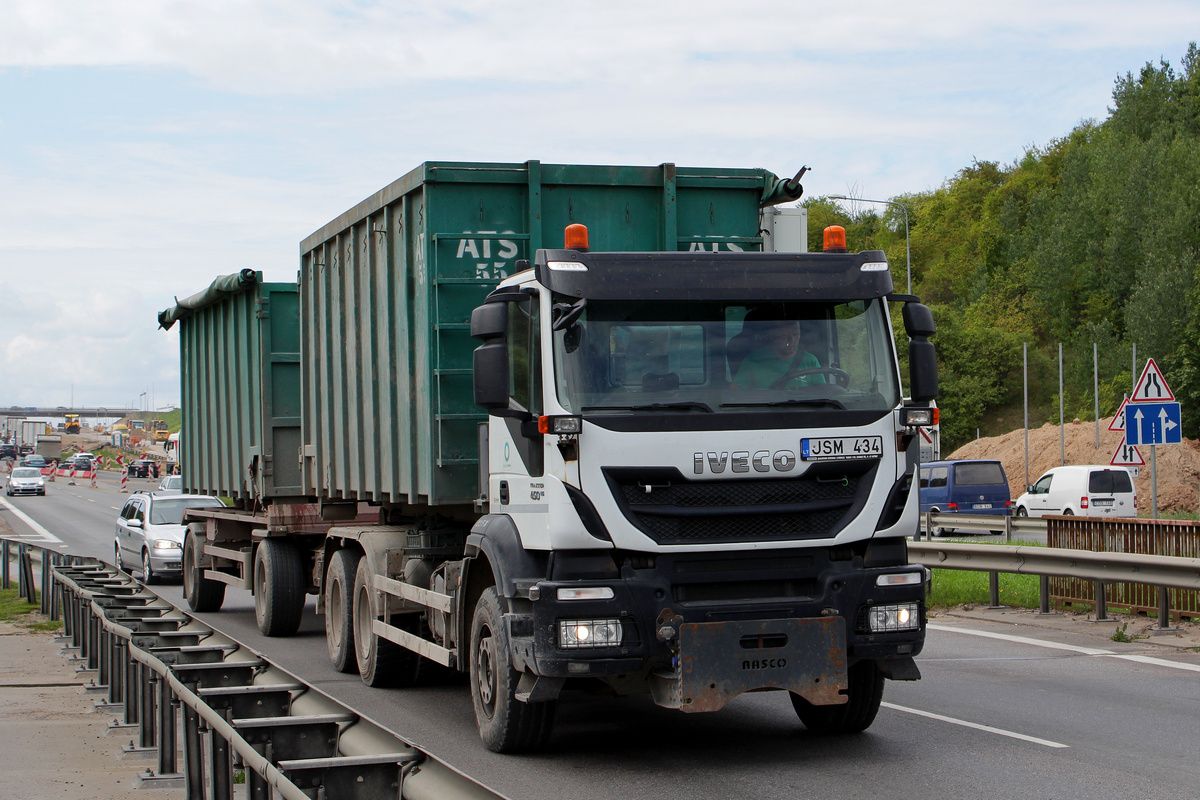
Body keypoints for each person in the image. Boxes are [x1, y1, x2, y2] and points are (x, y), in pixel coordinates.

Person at [733, 319, 824, 390]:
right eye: (785, 336)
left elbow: (822, 392)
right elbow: (736, 393)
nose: (791, 341)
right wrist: (756, 395)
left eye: (796, 334)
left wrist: (804, 392)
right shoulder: (754, 360)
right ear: (773, 335)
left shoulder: (810, 360)